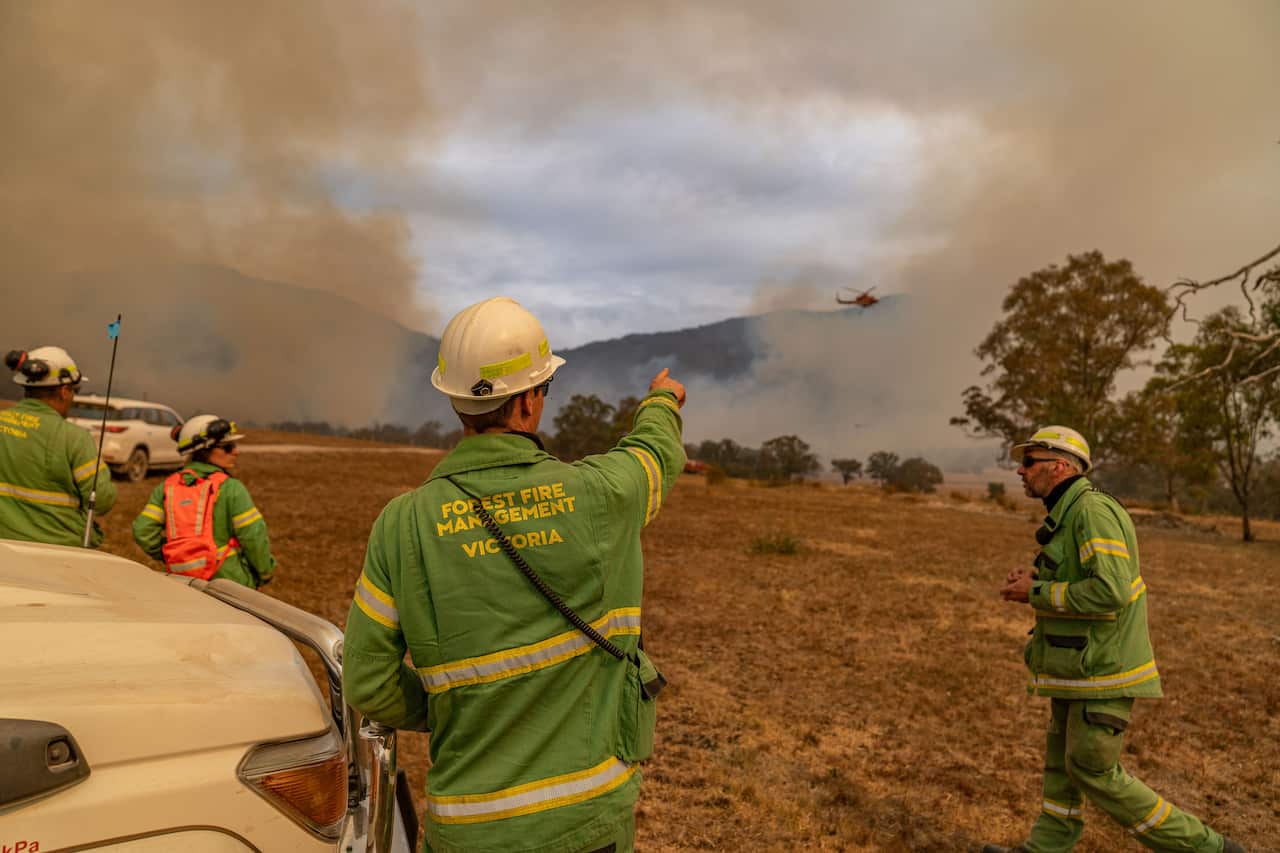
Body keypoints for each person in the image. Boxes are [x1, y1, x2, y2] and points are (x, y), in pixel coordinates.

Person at [342, 296, 686, 853]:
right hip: (589, 823)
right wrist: (662, 401)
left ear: (456, 402)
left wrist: (453, 705)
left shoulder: (401, 525)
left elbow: (368, 683)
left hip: (469, 829)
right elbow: (654, 455)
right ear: (530, 399)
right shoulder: (602, 494)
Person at [985, 426, 1244, 853]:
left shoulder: (1092, 513)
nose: (1020, 469)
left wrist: (1036, 593)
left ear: (1060, 466)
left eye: (1029, 462)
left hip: (1102, 672)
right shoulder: (1068, 513)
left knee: (1093, 771)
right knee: (1061, 773)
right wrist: (1038, 576)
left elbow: (1111, 591)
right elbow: (1083, 577)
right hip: (1077, 670)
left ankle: (1210, 849)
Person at [132, 414, 277, 589]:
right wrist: (265, 572)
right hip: (230, 584)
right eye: (227, 447)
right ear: (204, 450)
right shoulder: (232, 489)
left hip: (183, 584)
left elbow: (142, 531)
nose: (235, 451)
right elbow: (253, 536)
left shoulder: (167, 487)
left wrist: (177, 556)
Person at [0, 346, 116, 547]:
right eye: (75, 391)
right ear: (64, 391)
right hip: (60, 550)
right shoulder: (74, 438)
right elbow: (102, 501)